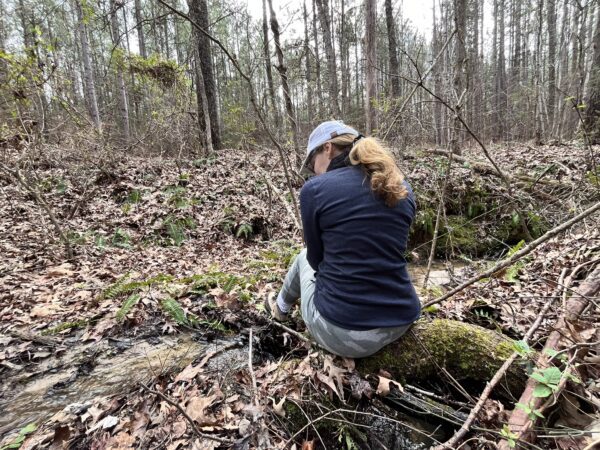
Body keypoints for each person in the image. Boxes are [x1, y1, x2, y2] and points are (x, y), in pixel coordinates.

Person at [265, 120, 420, 358]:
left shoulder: (315, 189)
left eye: (311, 163)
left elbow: (315, 260)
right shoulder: (399, 187)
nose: (313, 171)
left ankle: (280, 310)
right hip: (401, 322)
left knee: (302, 258)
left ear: (327, 148)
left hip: (342, 332)